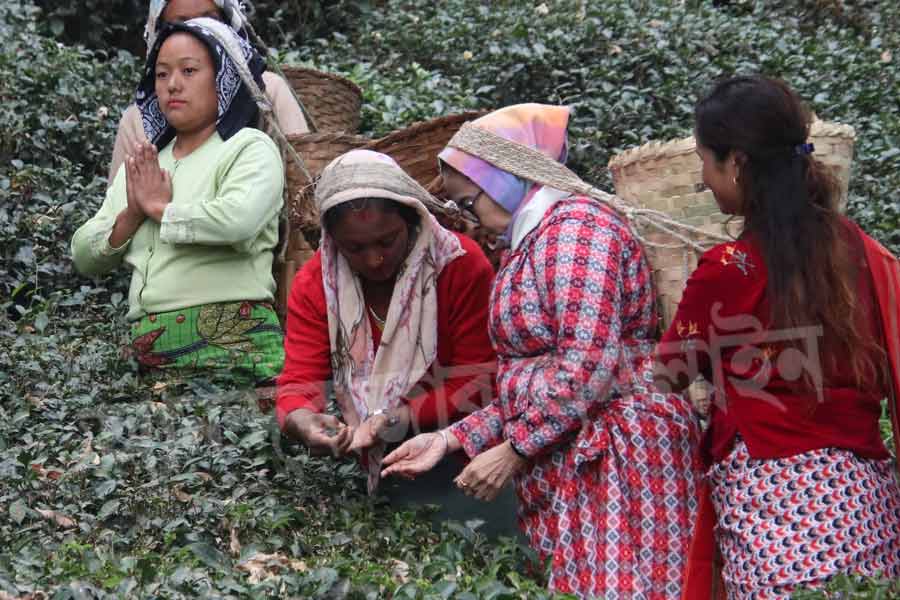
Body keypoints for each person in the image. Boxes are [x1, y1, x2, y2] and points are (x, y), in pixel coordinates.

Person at [381, 104, 702, 600]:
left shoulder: (578, 231)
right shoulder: (534, 240)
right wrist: (449, 440)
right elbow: (532, 377)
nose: (475, 221)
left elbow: (586, 366)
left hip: (621, 460)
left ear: (506, 179)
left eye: (472, 203)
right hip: (576, 456)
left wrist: (514, 450)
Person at [652, 75, 900, 599]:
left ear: (736, 163)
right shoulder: (861, 249)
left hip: (774, 505)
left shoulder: (728, 268)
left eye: (705, 160)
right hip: (865, 499)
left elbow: (667, 374)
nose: (702, 177)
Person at [72, 18, 284, 389]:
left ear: (224, 77)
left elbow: (238, 221)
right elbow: (84, 254)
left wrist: (157, 209)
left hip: (237, 353)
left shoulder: (249, 148)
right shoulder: (144, 164)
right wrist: (134, 212)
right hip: (148, 361)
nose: (172, 84)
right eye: (162, 74)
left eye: (189, 70)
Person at [276, 149, 499, 496]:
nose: (375, 258)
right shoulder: (317, 283)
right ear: (332, 241)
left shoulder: (458, 266)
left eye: (387, 240)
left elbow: (480, 378)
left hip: (465, 450)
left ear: (412, 219)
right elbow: (299, 379)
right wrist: (301, 420)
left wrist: (400, 417)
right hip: (371, 457)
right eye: (355, 247)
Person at [107, 0, 309, 187]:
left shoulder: (268, 91)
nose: (198, 31)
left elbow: (304, 178)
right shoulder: (138, 120)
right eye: (181, 23)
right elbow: (114, 212)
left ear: (228, 23)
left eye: (210, 21)